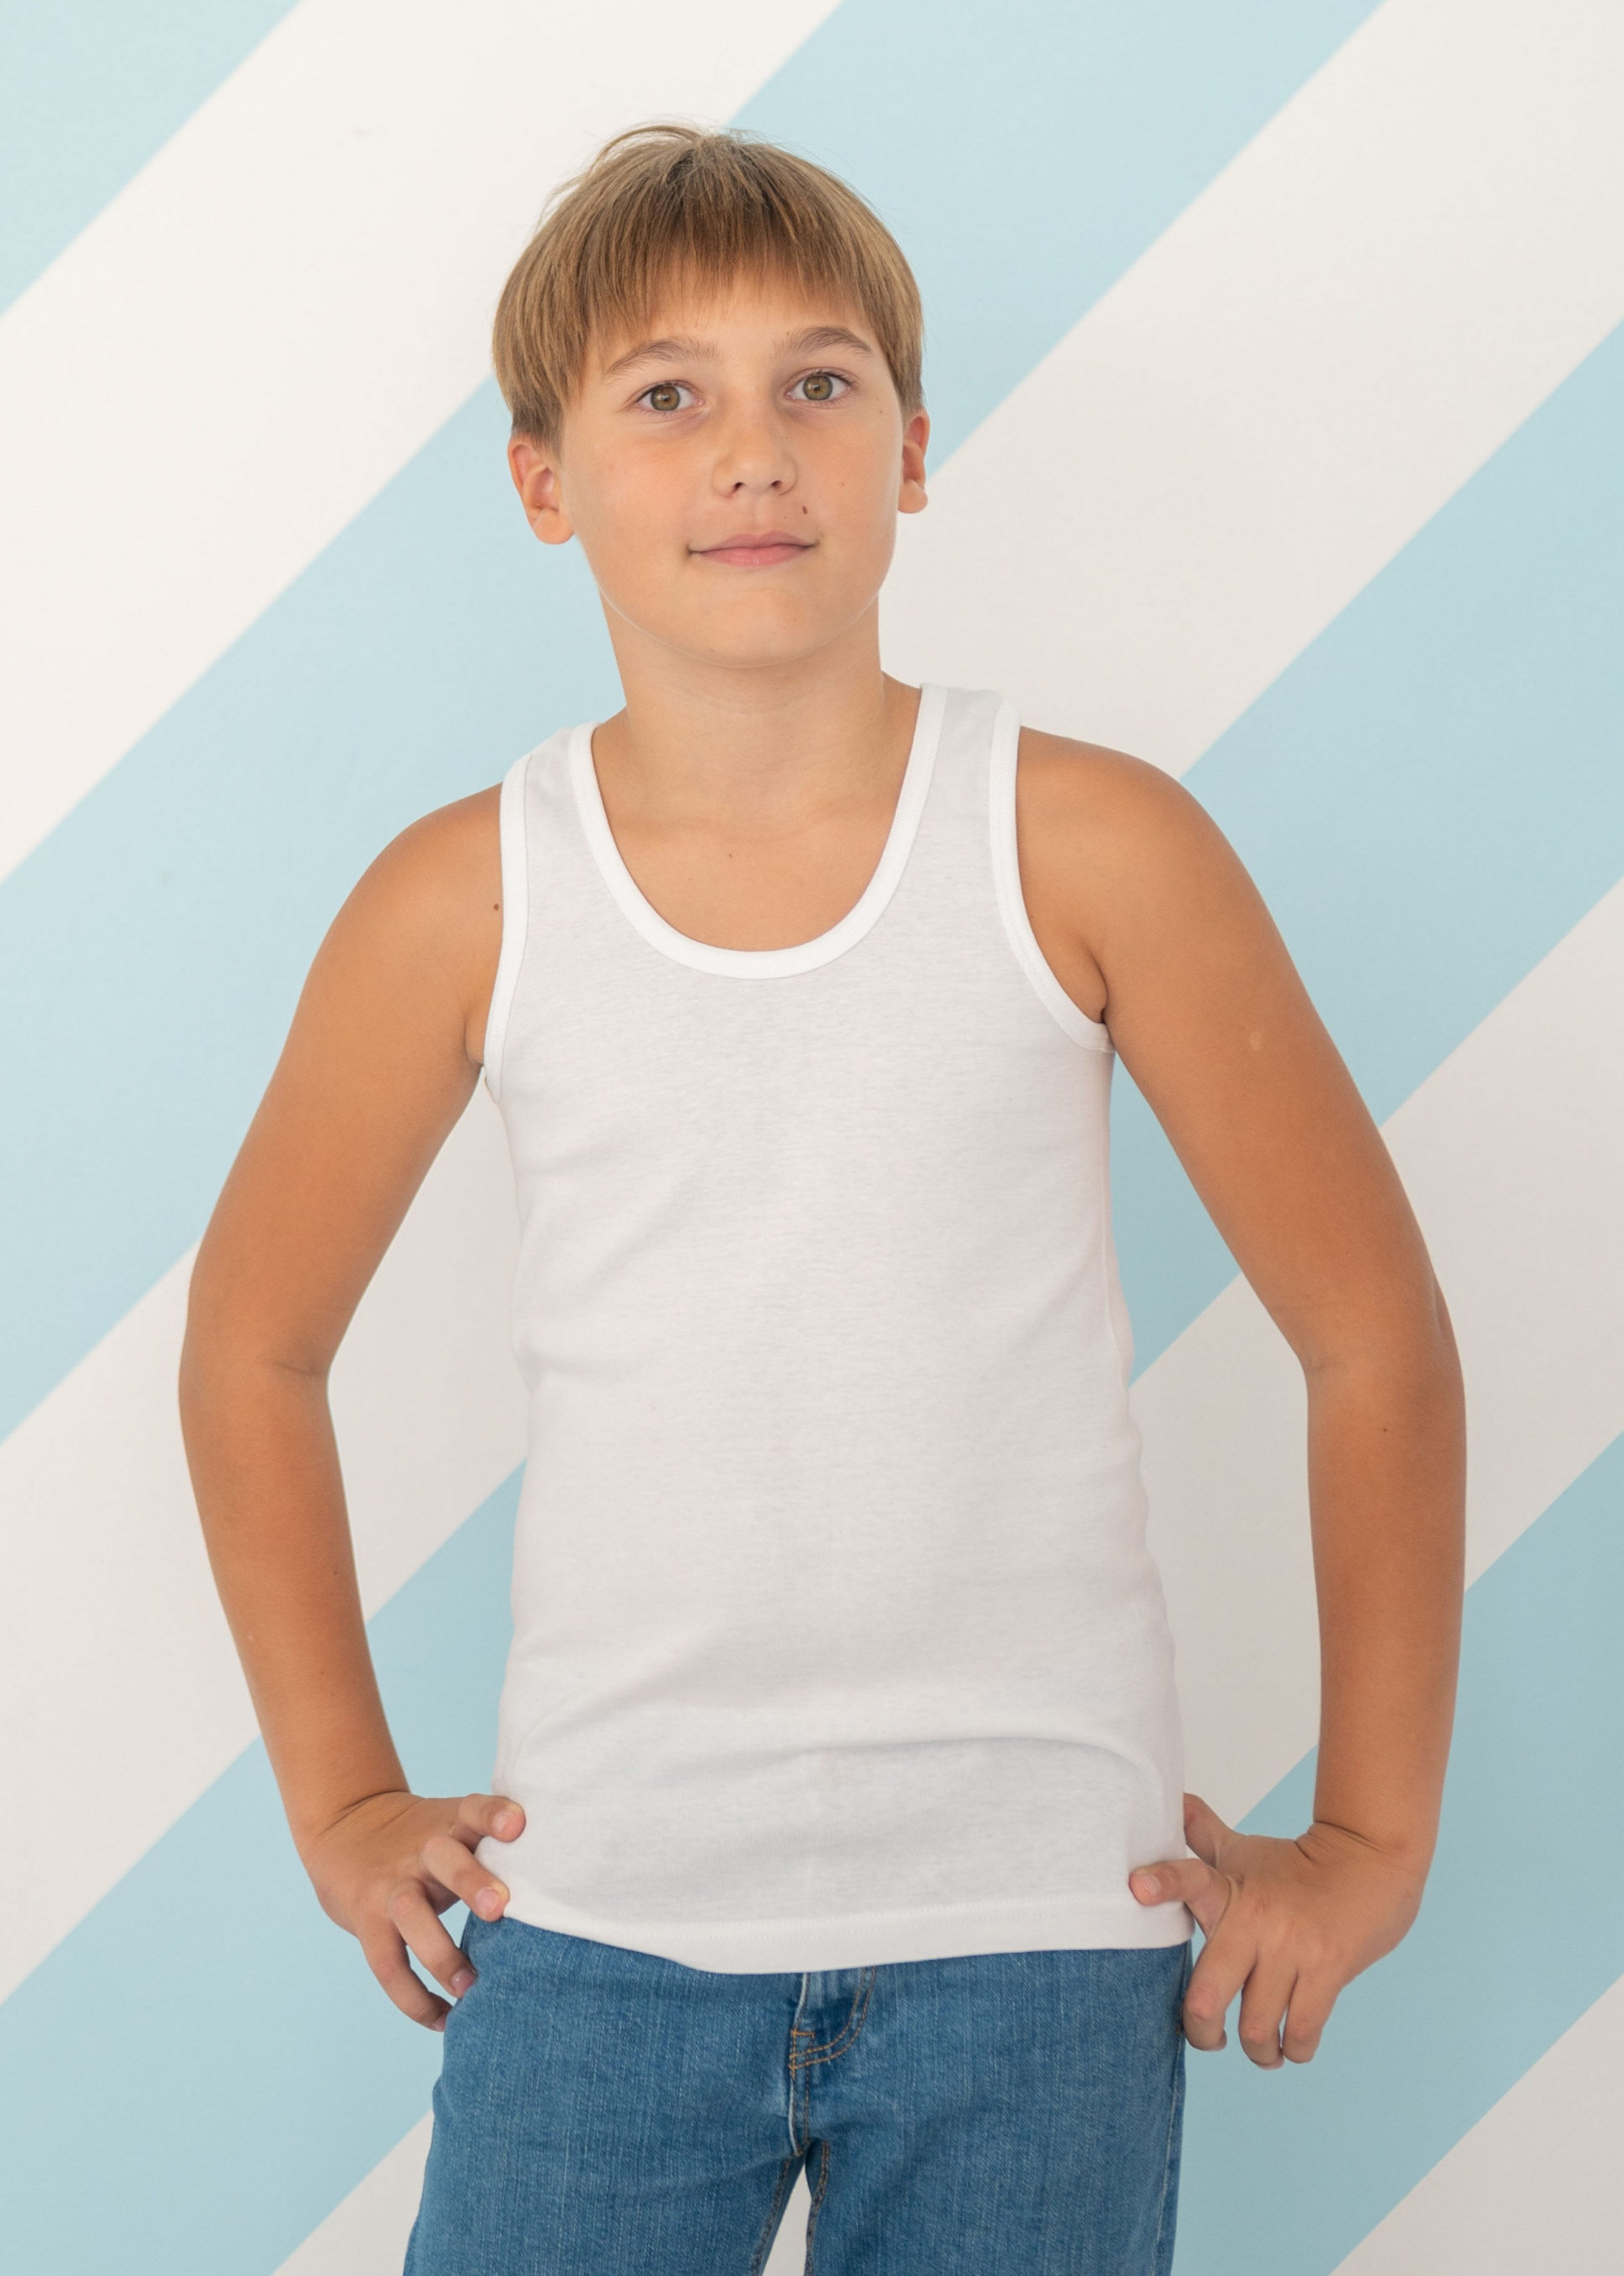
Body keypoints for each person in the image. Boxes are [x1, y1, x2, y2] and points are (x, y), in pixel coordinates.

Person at [179, 124, 1465, 2276]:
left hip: (1039, 1939)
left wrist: (1369, 1837)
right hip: (596, 1924)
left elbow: (1371, 1338)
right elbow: (251, 1347)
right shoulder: (461, 900)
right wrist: (341, 1800)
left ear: (913, 451)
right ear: (541, 481)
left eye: (817, 382)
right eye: (665, 394)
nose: (750, 450)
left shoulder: (1090, 848)